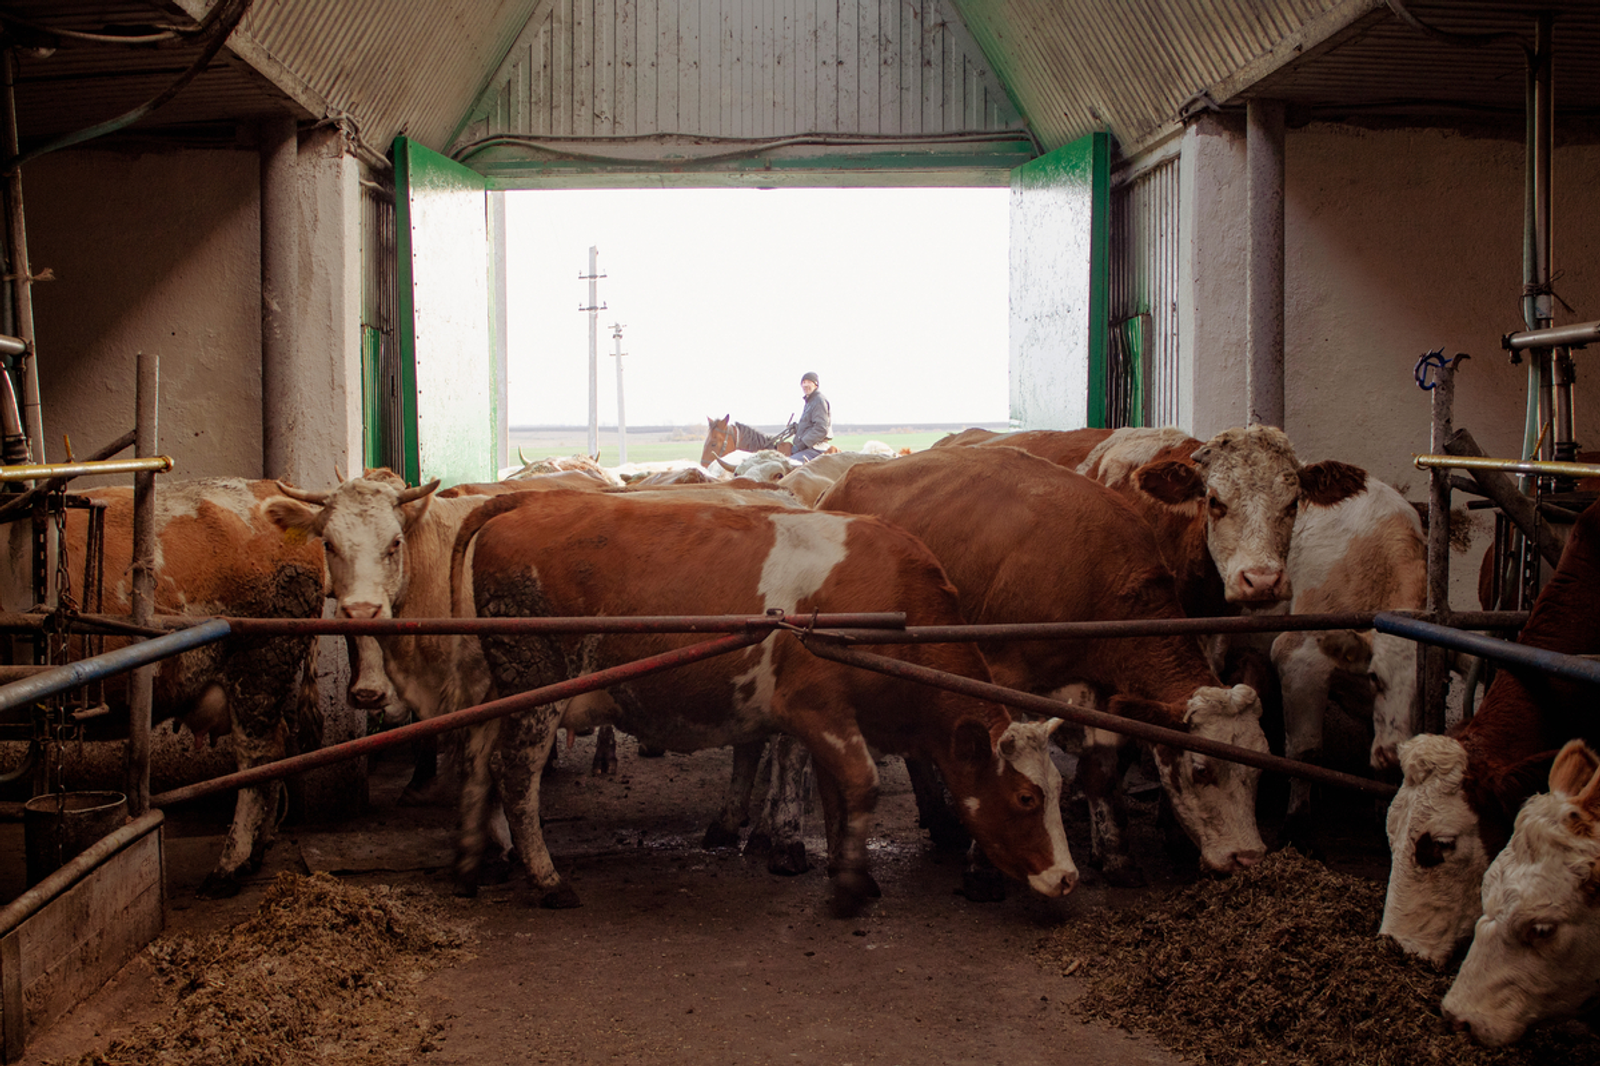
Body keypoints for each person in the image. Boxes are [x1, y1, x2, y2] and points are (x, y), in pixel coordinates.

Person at [790, 371, 831, 462]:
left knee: (789, 463)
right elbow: (810, 425)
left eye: (809, 382)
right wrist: (798, 428)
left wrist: (802, 444)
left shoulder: (819, 401)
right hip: (809, 447)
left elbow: (821, 428)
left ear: (815, 385)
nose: (805, 385)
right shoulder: (810, 402)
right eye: (803, 382)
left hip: (816, 448)